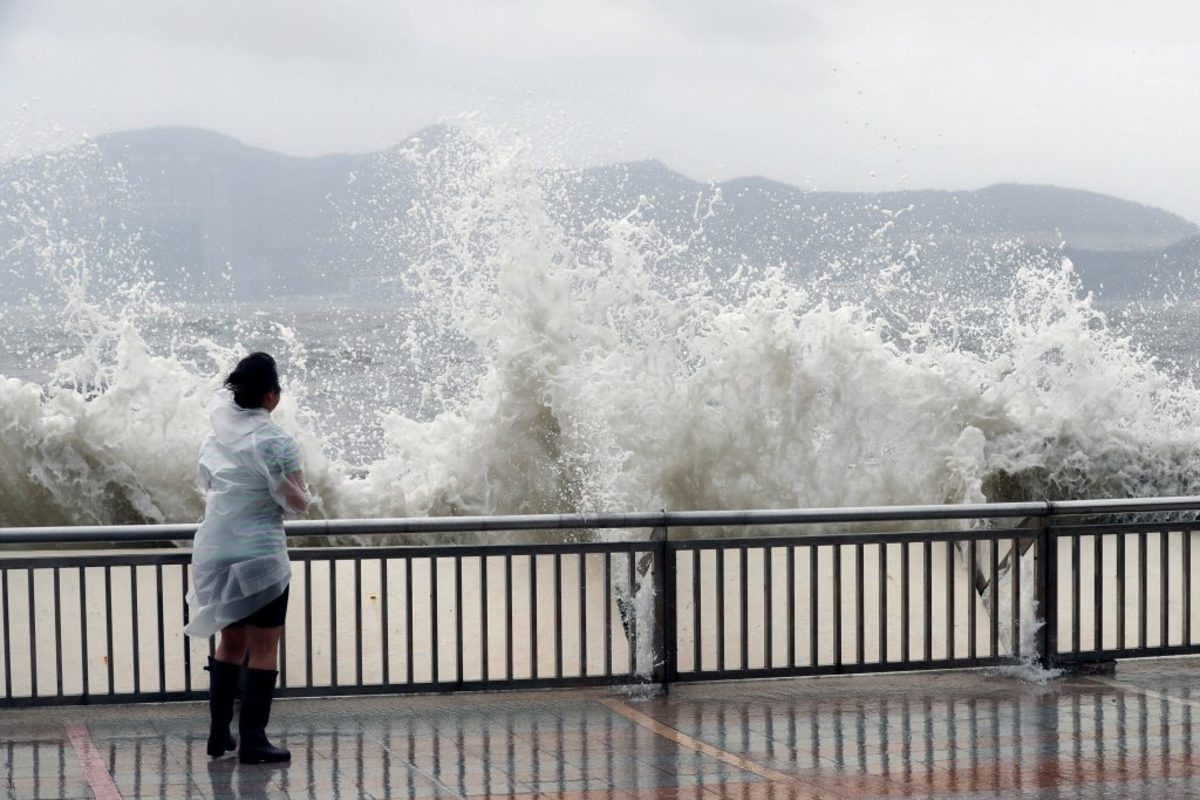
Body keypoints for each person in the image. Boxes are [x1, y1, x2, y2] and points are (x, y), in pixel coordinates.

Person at [184, 352, 310, 765]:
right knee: (264, 646)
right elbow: (296, 503)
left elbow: (208, 481)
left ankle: (219, 734)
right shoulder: (276, 441)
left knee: (230, 640)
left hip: (216, 549)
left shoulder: (214, 437)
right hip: (260, 555)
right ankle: (254, 738)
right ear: (271, 395)